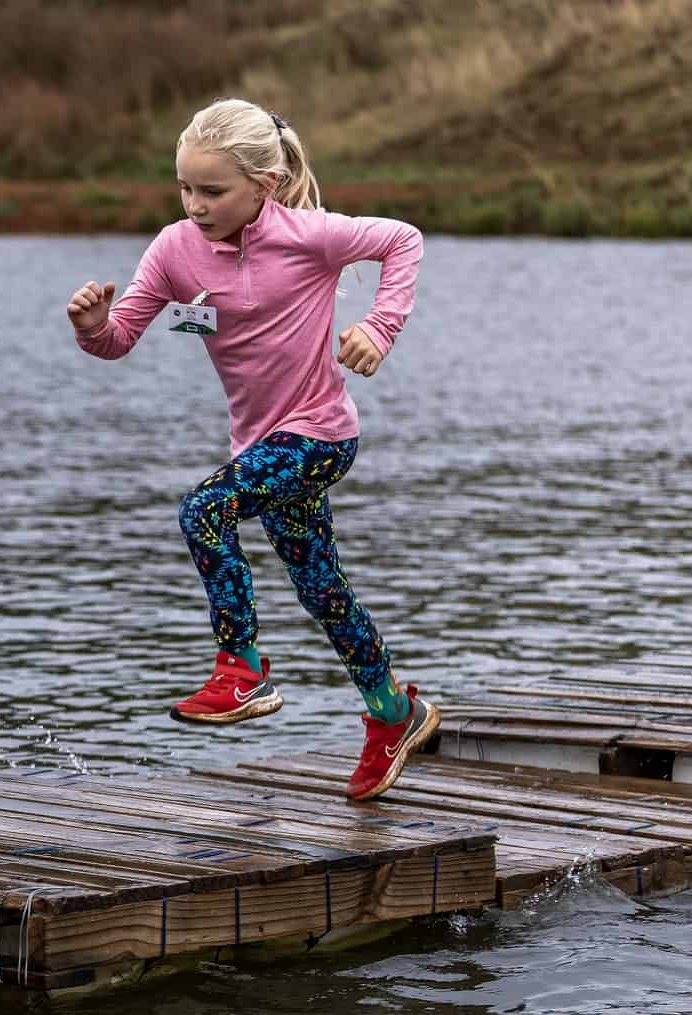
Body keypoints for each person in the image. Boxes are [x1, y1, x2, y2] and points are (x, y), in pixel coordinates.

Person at [63, 98, 436, 802]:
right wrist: (92, 326)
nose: (194, 205)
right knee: (319, 589)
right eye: (184, 188)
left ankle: (241, 667)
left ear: (262, 186)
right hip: (259, 446)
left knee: (203, 510)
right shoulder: (174, 250)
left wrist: (380, 328)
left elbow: (403, 239)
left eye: (212, 191)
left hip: (320, 436)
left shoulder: (309, 236)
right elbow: (117, 342)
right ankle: (394, 712)